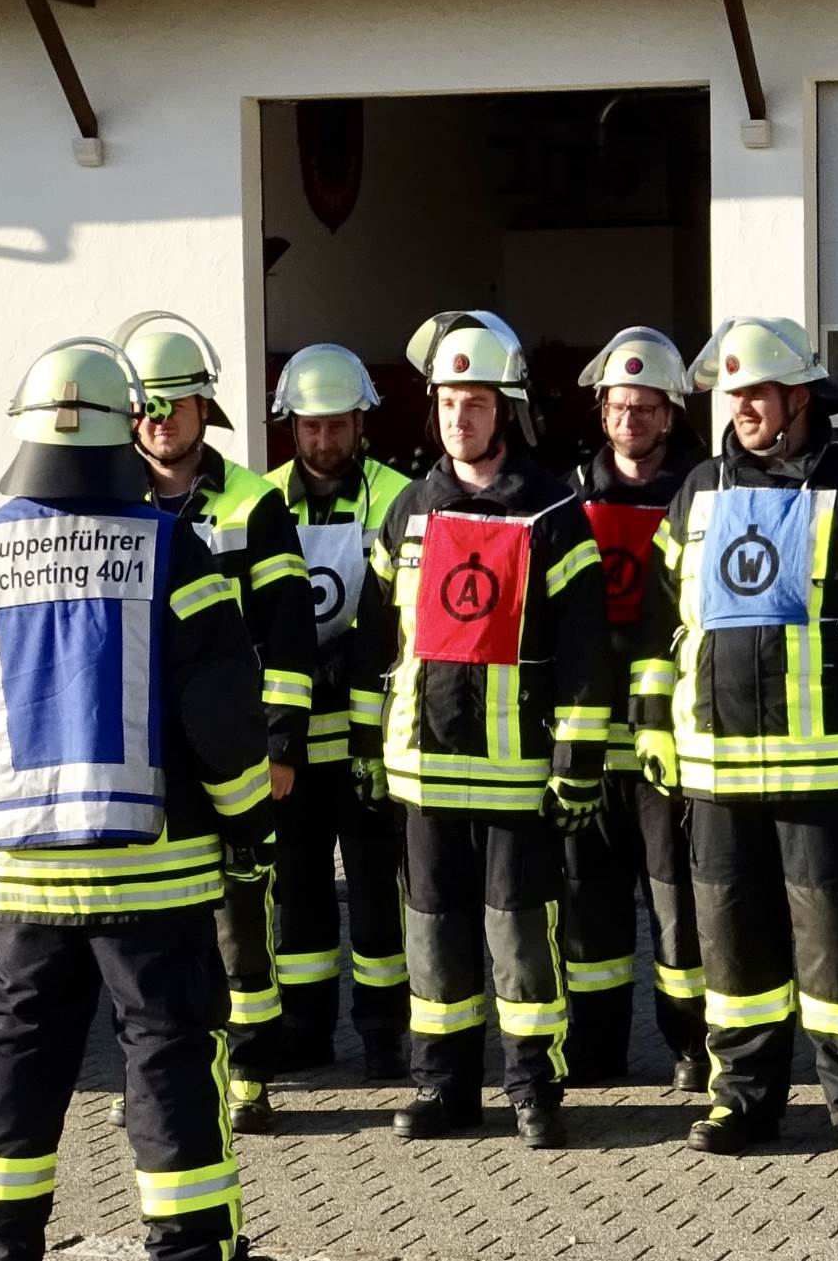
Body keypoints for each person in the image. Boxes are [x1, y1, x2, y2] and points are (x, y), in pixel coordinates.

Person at [0, 336, 276, 1261]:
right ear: (123, 433)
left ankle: (0, 1250)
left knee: (17, 1061)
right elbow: (223, 711)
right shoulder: (172, 548)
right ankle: (191, 1252)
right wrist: (247, 825)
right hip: (154, 876)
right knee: (167, 1063)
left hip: (23, 880)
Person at [633, 315, 838, 1168]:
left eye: (759, 394)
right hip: (714, 775)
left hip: (827, 771)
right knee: (733, 952)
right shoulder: (696, 490)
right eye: (734, 395)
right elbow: (661, 620)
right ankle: (742, 1099)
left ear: (799, 398)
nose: (743, 408)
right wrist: (653, 724)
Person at [351, 310, 611, 1149]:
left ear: (506, 409)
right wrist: (365, 744)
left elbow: (583, 650)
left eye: (475, 402)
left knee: (520, 934)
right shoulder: (410, 511)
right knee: (432, 933)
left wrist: (575, 758)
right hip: (423, 769)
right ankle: (444, 1087)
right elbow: (374, 637)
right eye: (448, 403)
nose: (459, 418)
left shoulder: (551, 513)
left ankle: (535, 1087)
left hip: (515, 771)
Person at [114, 311, 317, 1134]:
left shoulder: (253, 502)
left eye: (174, 406)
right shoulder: (108, 499)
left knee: (241, 917)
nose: (160, 422)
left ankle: (249, 1071)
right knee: (145, 919)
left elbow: (290, 631)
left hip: (228, 747)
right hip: (141, 746)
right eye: (146, 408)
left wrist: (279, 742)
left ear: (205, 408)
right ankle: (160, 1068)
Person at [557, 327, 709, 1090]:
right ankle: (596, 1049)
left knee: (675, 901)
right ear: (602, 410)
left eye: (647, 409)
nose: (632, 421)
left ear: (670, 414)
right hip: (588, 737)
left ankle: (691, 1046)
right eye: (620, 407)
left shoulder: (700, 493)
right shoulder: (569, 496)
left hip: (669, 738)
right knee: (589, 908)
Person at [262, 343, 413, 1080]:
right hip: (289, 744)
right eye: (310, 427)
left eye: (337, 426)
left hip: (372, 740)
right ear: (292, 426)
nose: (324, 441)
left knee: (380, 894)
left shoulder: (398, 497)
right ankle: (306, 1027)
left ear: (361, 423)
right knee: (300, 897)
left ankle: (386, 1032)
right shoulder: (262, 501)